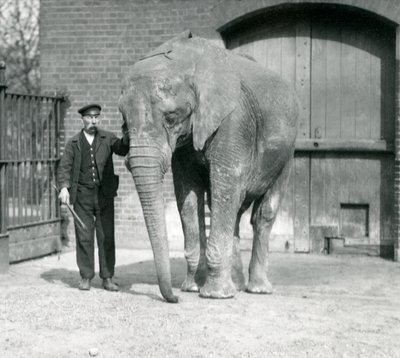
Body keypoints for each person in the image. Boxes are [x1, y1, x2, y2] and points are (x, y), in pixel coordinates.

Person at [57, 103, 129, 291]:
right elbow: (64, 168)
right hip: (82, 196)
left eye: (96, 117)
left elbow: (122, 148)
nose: (93, 121)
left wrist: (128, 131)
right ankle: (86, 277)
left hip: (104, 195)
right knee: (84, 236)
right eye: (89, 118)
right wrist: (64, 188)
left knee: (106, 236)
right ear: (83, 119)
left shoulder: (108, 138)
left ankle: (107, 277)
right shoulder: (73, 143)